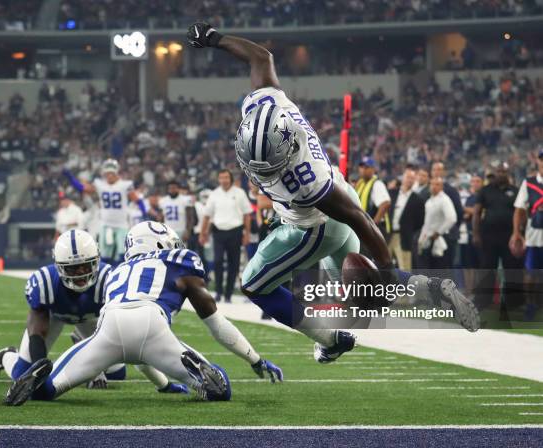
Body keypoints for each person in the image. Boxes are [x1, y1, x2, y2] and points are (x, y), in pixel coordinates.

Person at [186, 22, 480, 361]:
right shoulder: (270, 108)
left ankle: (331, 338)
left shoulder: (302, 179)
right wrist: (215, 39)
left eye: (268, 163)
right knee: (356, 284)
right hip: (333, 203)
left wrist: (385, 266)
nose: (260, 168)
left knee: (254, 285)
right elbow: (260, 56)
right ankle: (436, 293)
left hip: (317, 224)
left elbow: (359, 218)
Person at [3, 222, 282, 406]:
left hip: (109, 326)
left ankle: (33, 374)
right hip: (152, 324)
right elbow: (215, 323)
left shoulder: (118, 273)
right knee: (220, 391)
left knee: (46, 391)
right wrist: (255, 359)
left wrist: (162, 385)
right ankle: (198, 372)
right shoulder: (179, 262)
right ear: (161, 245)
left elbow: (133, 348)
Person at [0, 230, 183, 394]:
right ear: (59, 266)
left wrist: (97, 370)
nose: (81, 273)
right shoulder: (45, 282)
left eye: (86, 265)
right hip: (55, 316)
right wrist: (38, 368)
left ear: (97, 261)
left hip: (95, 319)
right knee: (22, 374)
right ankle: (4, 357)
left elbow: (135, 340)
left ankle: (80, 339)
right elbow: (37, 330)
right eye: (73, 268)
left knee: (117, 374)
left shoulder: (109, 279)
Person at [63, 159, 146, 265]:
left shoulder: (125, 185)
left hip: (121, 224)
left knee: (123, 253)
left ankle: (121, 275)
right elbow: (82, 188)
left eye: (112, 173)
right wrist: (70, 177)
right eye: (107, 173)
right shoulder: (100, 185)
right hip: (106, 224)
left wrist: (144, 214)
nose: (109, 176)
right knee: (104, 254)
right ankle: (106, 276)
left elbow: (137, 200)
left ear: (116, 173)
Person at [472, 163, 523, 309]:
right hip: (488, 235)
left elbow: (520, 213)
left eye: (504, 172)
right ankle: (483, 301)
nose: (501, 174)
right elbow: (476, 212)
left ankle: (515, 302)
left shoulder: (515, 191)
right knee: (487, 267)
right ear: (495, 173)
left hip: (509, 236)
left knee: (512, 268)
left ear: (508, 173)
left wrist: (519, 233)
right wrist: (475, 233)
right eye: (499, 171)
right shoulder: (485, 190)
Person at [199, 169, 252, 303]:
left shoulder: (239, 193)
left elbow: (247, 215)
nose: (224, 180)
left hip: (235, 231)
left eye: (226, 177)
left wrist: (247, 234)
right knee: (217, 261)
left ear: (231, 179)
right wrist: (203, 233)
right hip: (218, 231)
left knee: (233, 263)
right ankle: (218, 291)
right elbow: (206, 215)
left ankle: (228, 294)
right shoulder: (214, 194)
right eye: (221, 178)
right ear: (218, 179)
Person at [510, 149, 543, 318]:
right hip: (534, 237)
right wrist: (516, 233)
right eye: (542, 159)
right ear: (537, 161)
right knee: (531, 274)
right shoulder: (528, 183)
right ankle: (530, 305)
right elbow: (519, 209)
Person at [388, 168, 424, 271]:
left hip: (404, 236)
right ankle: (384, 287)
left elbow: (420, 222)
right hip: (388, 234)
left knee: (405, 267)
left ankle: (406, 287)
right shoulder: (391, 193)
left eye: (412, 178)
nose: (410, 180)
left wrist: (408, 229)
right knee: (383, 266)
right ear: (403, 178)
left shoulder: (418, 200)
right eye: (408, 177)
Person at [418, 178, 457, 270]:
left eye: (437, 184)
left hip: (440, 238)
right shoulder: (429, 201)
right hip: (428, 238)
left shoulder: (444, 200)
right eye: (432, 184)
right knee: (428, 269)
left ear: (441, 187)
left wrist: (438, 232)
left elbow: (452, 218)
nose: (434, 187)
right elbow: (427, 223)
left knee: (440, 270)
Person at [355, 156, 391, 241]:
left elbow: (385, 204)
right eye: (361, 166)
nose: (363, 169)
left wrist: (373, 225)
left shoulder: (377, 184)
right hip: (363, 229)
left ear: (373, 169)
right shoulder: (360, 184)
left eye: (366, 167)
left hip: (373, 231)